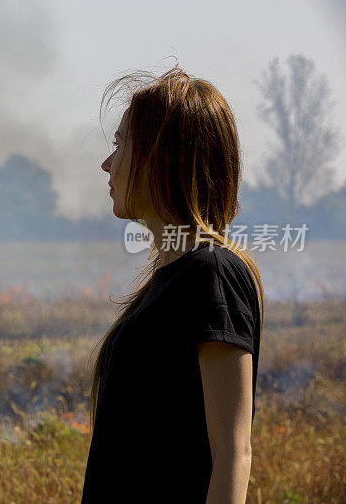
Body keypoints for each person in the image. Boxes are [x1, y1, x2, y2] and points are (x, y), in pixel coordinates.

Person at [81, 66, 265, 503]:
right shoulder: (166, 280)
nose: (107, 164)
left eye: (121, 144)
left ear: (162, 156)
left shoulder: (213, 274)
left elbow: (233, 455)